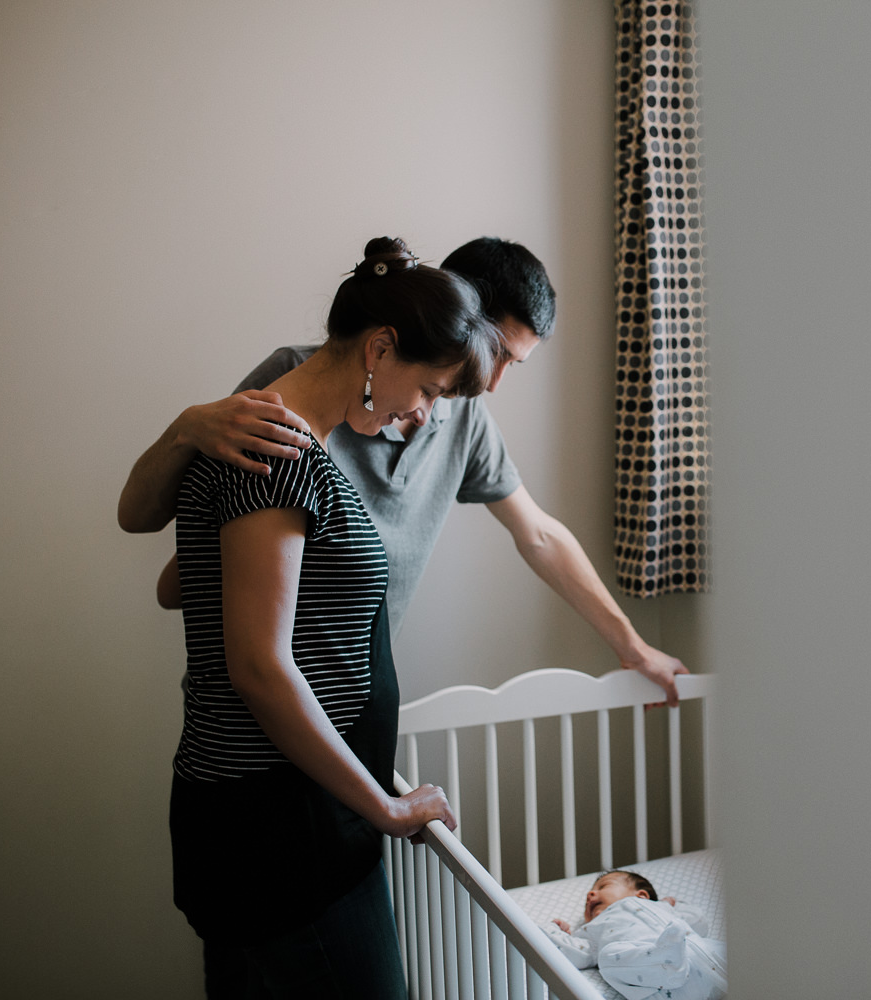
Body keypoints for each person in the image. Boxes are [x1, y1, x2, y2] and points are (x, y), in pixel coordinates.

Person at [117, 236, 687, 706]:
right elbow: (187, 558)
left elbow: (537, 533)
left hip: (351, 703)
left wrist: (634, 648)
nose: (492, 383)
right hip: (260, 711)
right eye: (497, 355)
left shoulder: (465, 419)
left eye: (513, 364)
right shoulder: (298, 384)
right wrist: (187, 427)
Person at [168, 238, 490, 997]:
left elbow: (185, 583)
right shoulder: (279, 451)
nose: (424, 414)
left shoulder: (275, 442)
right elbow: (258, 664)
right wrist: (381, 804)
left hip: (284, 818)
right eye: (432, 389)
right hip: (286, 831)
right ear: (381, 348)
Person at [544, 871, 727, 1000]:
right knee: (607, 957)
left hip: (707, 964)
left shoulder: (663, 909)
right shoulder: (591, 930)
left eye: (604, 886)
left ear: (642, 895)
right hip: (660, 987)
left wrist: (672, 904)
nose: (590, 894)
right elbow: (567, 952)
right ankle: (663, 961)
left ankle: (669, 958)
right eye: (588, 898)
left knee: (727, 947)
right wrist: (553, 929)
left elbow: (700, 921)